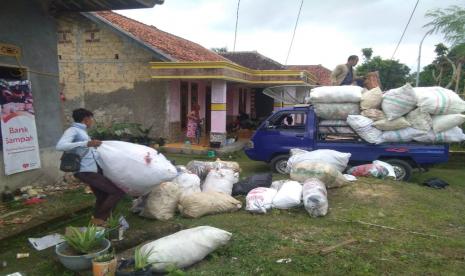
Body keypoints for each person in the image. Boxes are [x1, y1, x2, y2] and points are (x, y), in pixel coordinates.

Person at [56, 108, 125, 226]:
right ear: (86, 119)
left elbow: (86, 150)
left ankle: (98, 221)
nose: (92, 121)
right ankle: (100, 220)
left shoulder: (82, 131)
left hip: (91, 169)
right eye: (91, 119)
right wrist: (86, 143)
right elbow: (60, 146)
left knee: (102, 195)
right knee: (116, 192)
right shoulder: (73, 130)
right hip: (85, 170)